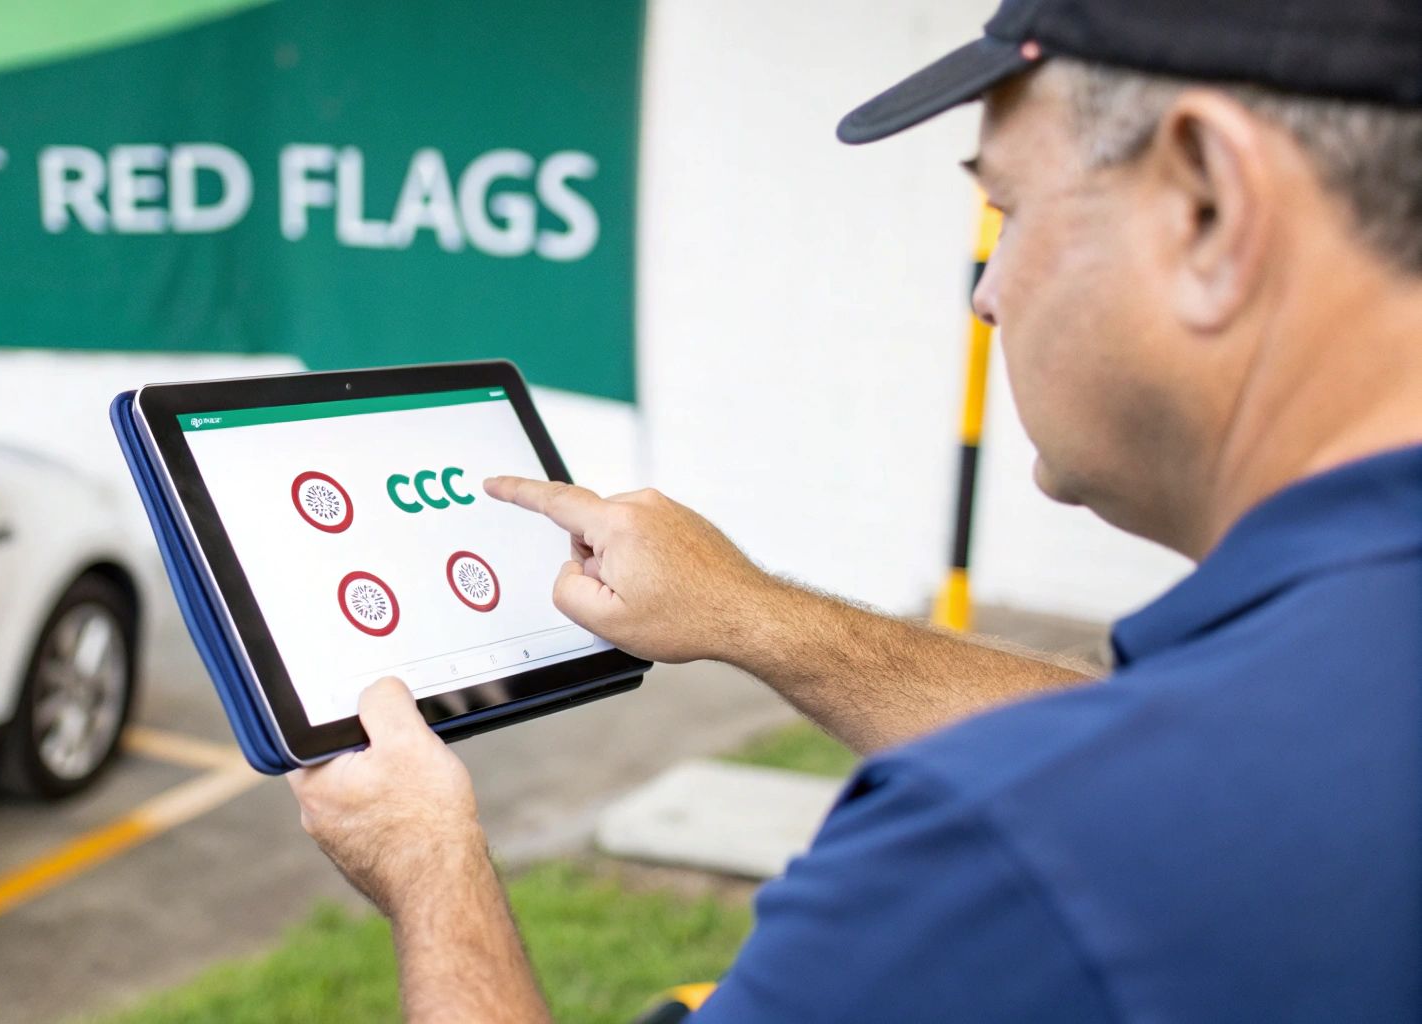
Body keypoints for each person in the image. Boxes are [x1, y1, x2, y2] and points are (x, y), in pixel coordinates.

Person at [288, 0, 1422, 1018]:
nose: (986, 293)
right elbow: (1147, 752)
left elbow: (1094, 789)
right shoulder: (1297, 696)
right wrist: (748, 614)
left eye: (1008, 211)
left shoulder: (1005, 849)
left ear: (1207, 206)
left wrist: (429, 863)